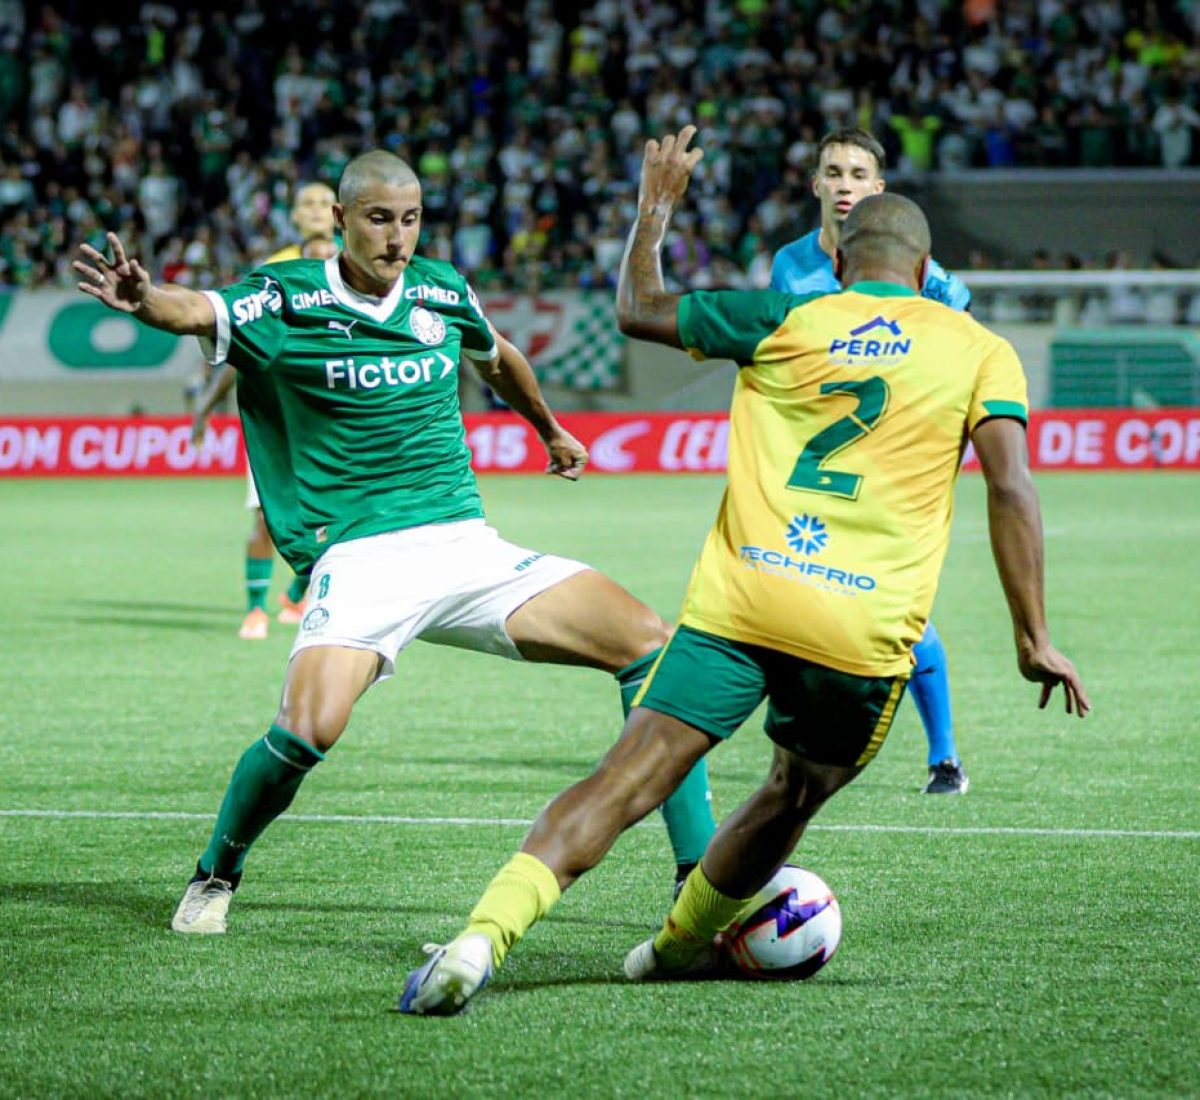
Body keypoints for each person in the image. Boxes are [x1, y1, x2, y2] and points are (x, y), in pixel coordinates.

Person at [399, 126, 1089, 1017]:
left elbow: (639, 308)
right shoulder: (978, 348)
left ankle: (479, 939)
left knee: (625, 779)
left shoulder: (785, 316)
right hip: (861, 630)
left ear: (843, 268)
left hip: (741, 602)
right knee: (792, 789)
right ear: (926, 274)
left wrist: (656, 205)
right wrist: (1033, 637)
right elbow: (1012, 489)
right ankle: (674, 948)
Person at [73, 149, 717, 935]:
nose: (397, 237)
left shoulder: (441, 290)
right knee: (306, 730)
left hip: (463, 544)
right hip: (361, 558)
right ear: (341, 221)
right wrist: (145, 301)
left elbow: (498, 358)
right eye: (380, 219)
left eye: (410, 219)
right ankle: (216, 872)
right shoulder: (286, 298)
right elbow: (196, 310)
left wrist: (548, 428)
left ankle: (697, 874)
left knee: (651, 644)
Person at [771, 127, 973, 796]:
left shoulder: (919, 270)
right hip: (817, 465)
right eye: (835, 171)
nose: (847, 183)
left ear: (877, 189)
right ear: (817, 185)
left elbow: (962, 329)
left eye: (860, 172)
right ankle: (816, 739)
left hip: (891, 461)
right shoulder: (789, 267)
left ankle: (944, 757)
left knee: (898, 607)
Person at [190, 182, 339, 640]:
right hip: (281, 418)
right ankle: (256, 610)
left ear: (339, 212)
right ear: (292, 217)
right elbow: (246, 349)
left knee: (343, 517)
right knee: (267, 517)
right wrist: (208, 407)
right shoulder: (273, 272)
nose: (314, 210)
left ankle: (297, 593)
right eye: (305, 203)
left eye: (322, 202)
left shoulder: (360, 268)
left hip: (341, 413)